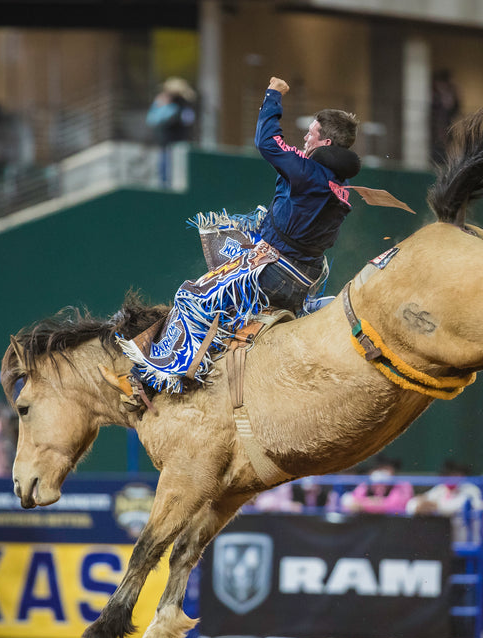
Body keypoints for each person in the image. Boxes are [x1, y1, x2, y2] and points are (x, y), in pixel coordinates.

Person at [118, 76, 361, 396]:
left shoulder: (306, 171)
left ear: (325, 143)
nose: (305, 136)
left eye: (311, 131)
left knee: (190, 296)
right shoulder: (341, 190)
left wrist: (273, 94)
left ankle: (152, 379)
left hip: (273, 272)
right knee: (228, 233)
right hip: (303, 281)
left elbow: (267, 140)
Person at [146, 77, 197, 186]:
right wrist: (159, 105)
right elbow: (152, 120)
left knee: (177, 174)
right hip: (165, 144)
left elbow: (188, 121)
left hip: (178, 145)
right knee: (165, 174)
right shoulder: (164, 105)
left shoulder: (183, 107)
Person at [340, 455, 414, 515]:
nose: (382, 472)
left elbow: (396, 506)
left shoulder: (403, 485)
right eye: (379, 468)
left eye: (386, 469)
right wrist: (372, 502)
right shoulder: (367, 485)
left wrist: (366, 504)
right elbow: (353, 503)